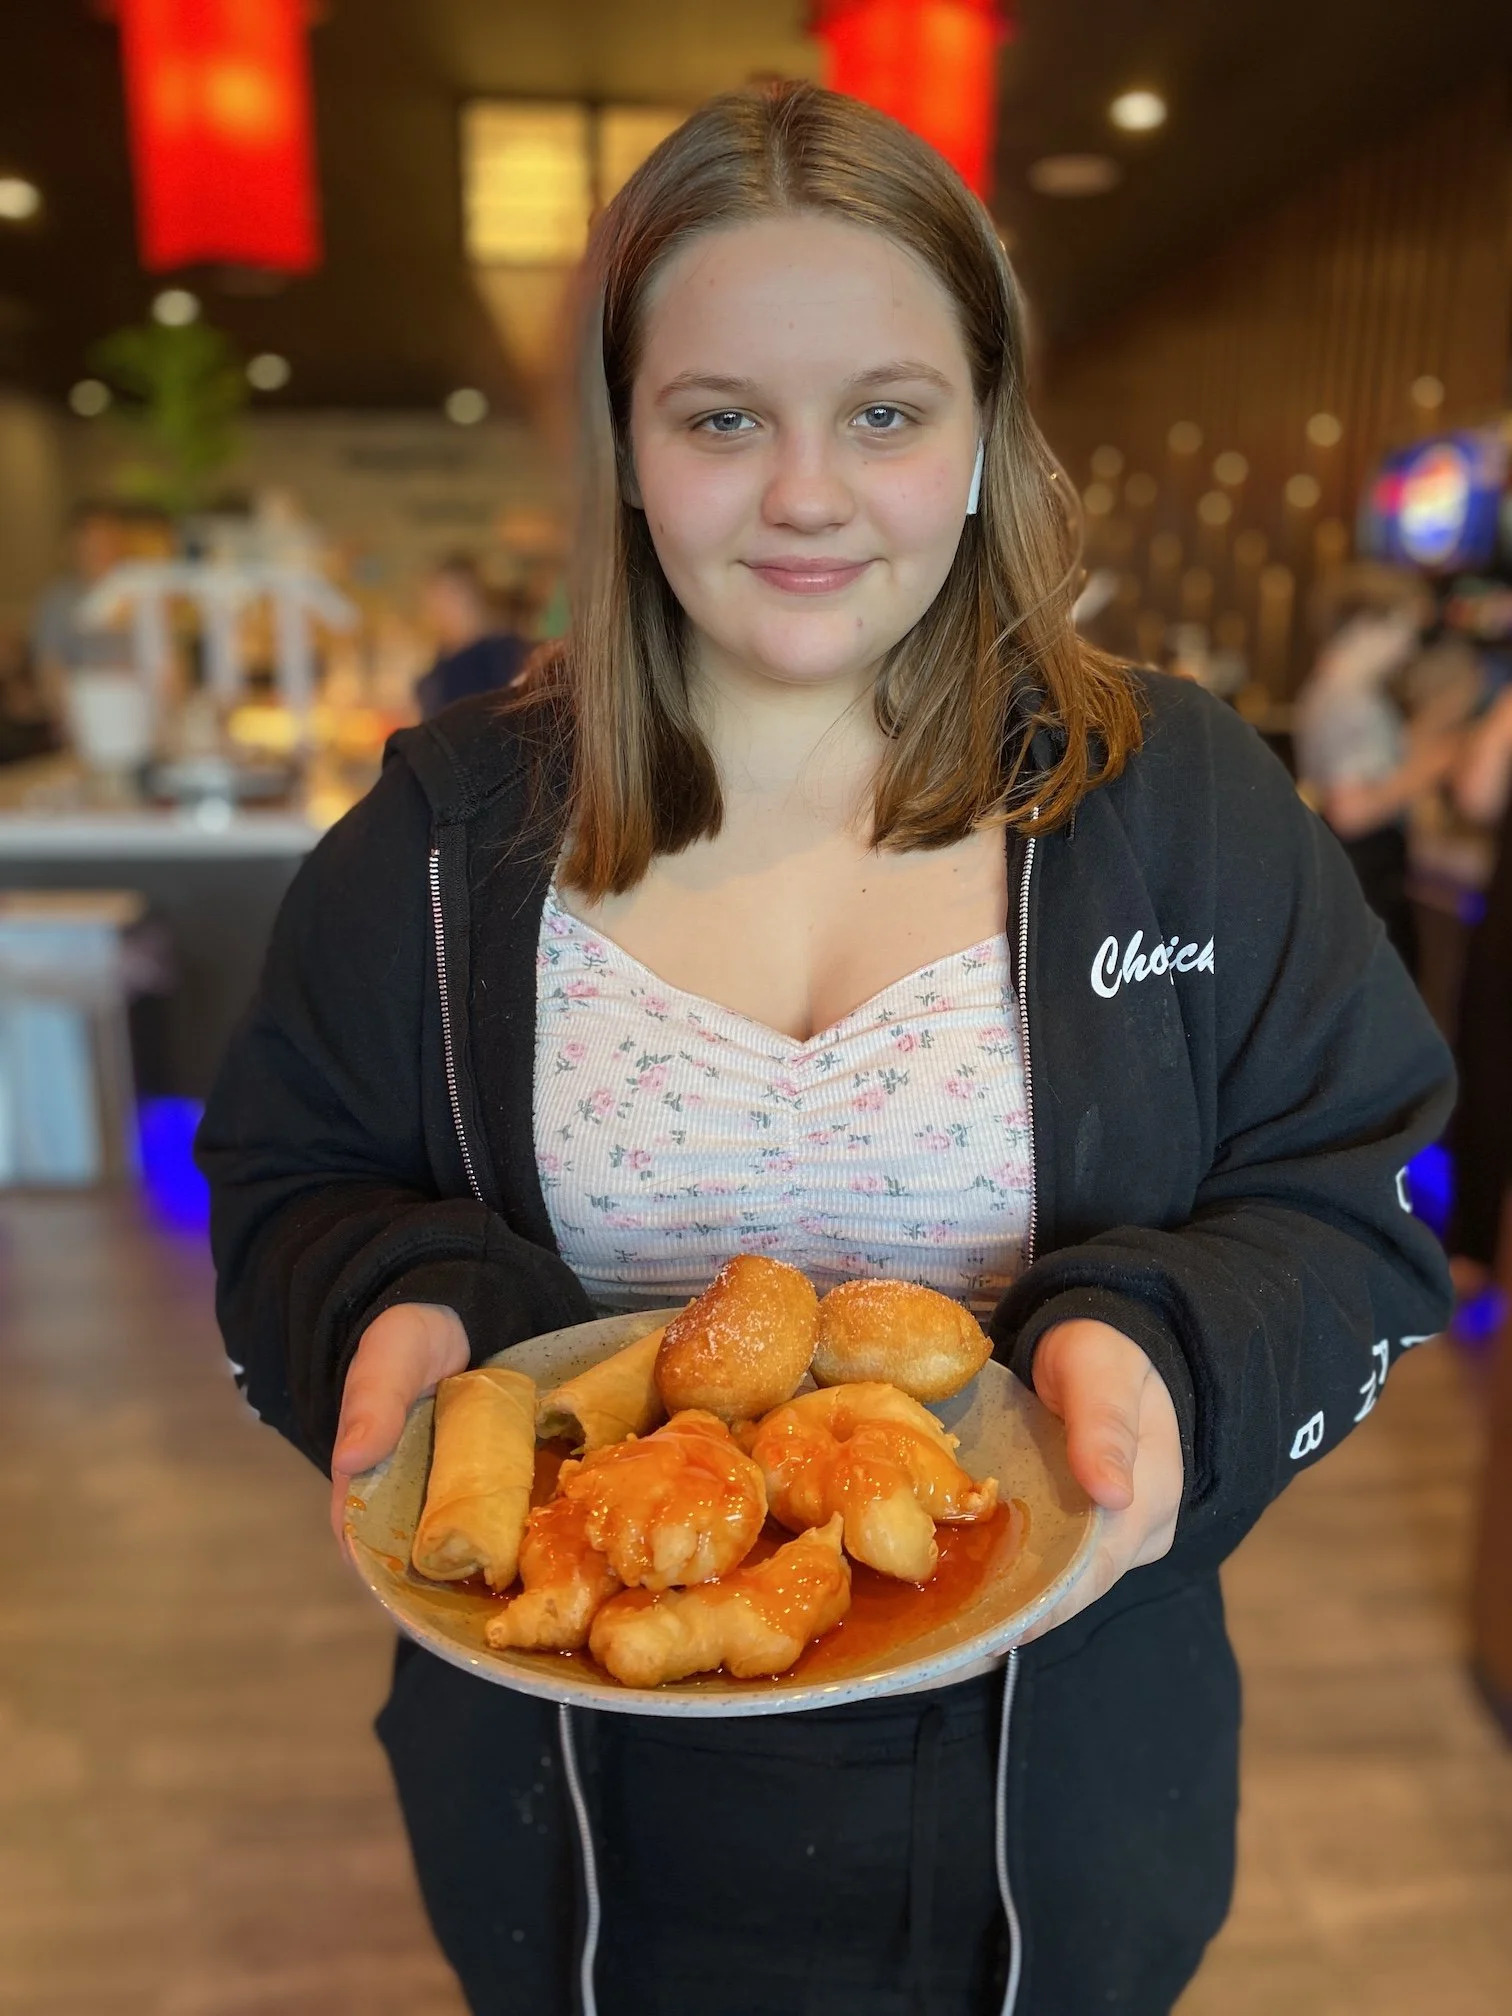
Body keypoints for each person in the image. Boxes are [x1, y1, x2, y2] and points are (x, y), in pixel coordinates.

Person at [198, 83, 1453, 2016]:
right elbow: (290, 1183)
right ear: (625, 444)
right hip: (569, 1823)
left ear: (982, 432)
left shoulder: (1174, 798)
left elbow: (1351, 1198)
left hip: (1069, 1800)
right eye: (721, 418)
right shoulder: (442, 840)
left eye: (884, 412)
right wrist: (402, 1308)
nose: (805, 493)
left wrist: (1165, 1358)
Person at [1292, 575, 1464, 971]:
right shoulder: (1350, 699)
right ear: (1365, 626)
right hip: (1366, 877)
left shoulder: (1331, 688)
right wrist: (1432, 766)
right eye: (1401, 628)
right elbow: (1350, 812)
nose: (1408, 646)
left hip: (1351, 873)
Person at [414, 554, 535, 719]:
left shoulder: (502, 653)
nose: (442, 609)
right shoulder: (441, 664)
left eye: (452, 595)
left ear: (475, 595)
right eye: (437, 599)